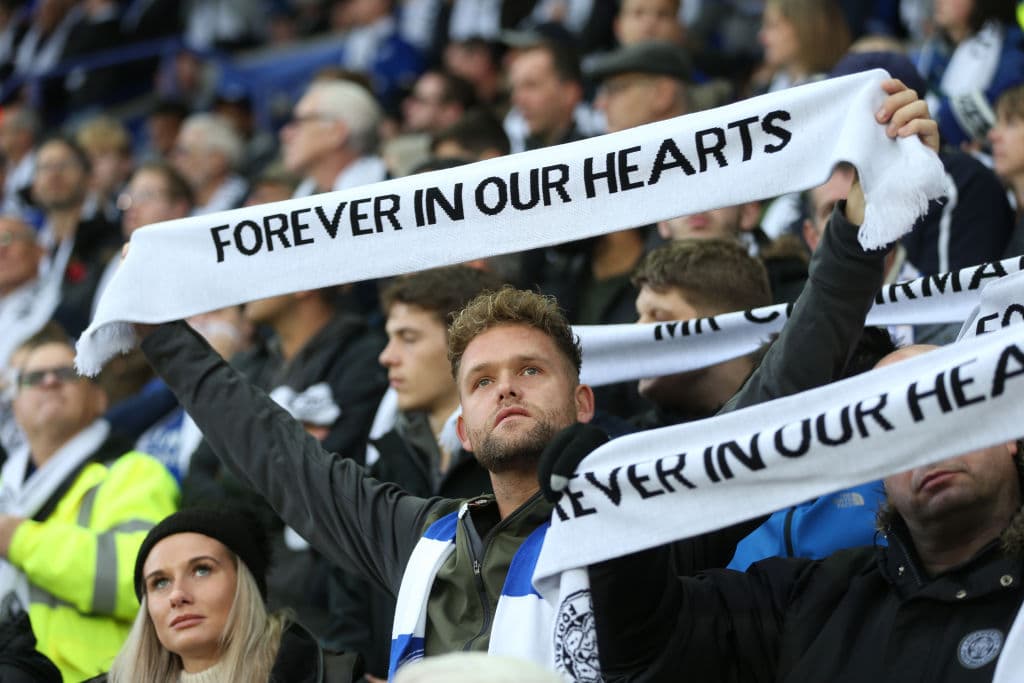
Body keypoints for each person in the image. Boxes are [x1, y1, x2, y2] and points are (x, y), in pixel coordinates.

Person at [137, 79, 934, 676]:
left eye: (530, 370)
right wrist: (158, 330)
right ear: (464, 417)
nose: (505, 387)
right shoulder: (415, 533)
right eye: (481, 379)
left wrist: (861, 234)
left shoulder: (646, 508)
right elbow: (278, 453)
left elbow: (779, 389)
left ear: (583, 400)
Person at [584, 345, 1023, 682]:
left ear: (1008, 431)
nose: (929, 442)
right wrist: (608, 510)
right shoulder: (809, 602)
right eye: (899, 425)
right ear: (876, 470)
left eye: (948, 406)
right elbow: (650, 648)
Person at [324, 265, 503, 676]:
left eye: (408, 338)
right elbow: (348, 596)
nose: (387, 356)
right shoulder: (383, 463)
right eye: (390, 338)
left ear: (466, 347)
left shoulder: (515, 462)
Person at [0, 334, 179, 681]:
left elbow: (143, 581)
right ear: (16, 406)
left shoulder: (134, 472)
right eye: (34, 378)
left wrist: (20, 538)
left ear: (98, 399)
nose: (50, 382)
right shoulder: (5, 487)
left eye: (67, 373)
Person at [90, 505, 362, 682]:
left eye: (201, 570)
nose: (177, 595)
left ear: (246, 585)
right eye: (159, 582)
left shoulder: (335, 677)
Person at [282, 79, 388, 198]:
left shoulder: (393, 193)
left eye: (299, 123)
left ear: (336, 132)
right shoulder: (302, 196)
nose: (286, 134)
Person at [171, 114, 249, 216]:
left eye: (184, 152)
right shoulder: (180, 210)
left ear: (217, 160)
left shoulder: (250, 204)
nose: (175, 160)